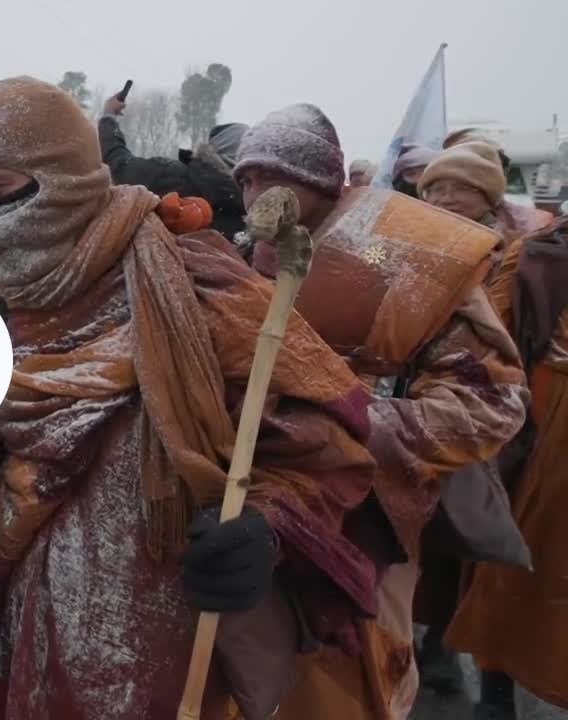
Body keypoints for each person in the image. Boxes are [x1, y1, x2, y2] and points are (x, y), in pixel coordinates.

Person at [0, 77, 385, 720]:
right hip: (11, 622)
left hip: (159, 635)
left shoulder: (200, 284)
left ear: (69, 177)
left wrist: (265, 528)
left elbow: (326, 445)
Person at [233, 103, 529, 720]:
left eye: (273, 177)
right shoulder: (232, 267)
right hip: (246, 522)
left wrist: (355, 423)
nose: (256, 193)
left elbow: (493, 399)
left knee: (349, 681)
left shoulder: (406, 260)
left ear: (321, 184)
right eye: (246, 179)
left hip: (365, 519)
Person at [444, 216, 568, 719]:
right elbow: (489, 341)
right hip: (540, 431)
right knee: (518, 563)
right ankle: (495, 693)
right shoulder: (539, 256)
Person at [99, 93, 247, 238]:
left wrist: (108, 115)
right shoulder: (256, 214)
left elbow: (118, 163)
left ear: (213, 149)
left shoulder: (174, 176)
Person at [421, 141, 553, 246]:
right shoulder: (410, 236)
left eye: (462, 188)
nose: (447, 199)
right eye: (437, 189)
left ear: (489, 197)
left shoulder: (526, 243)